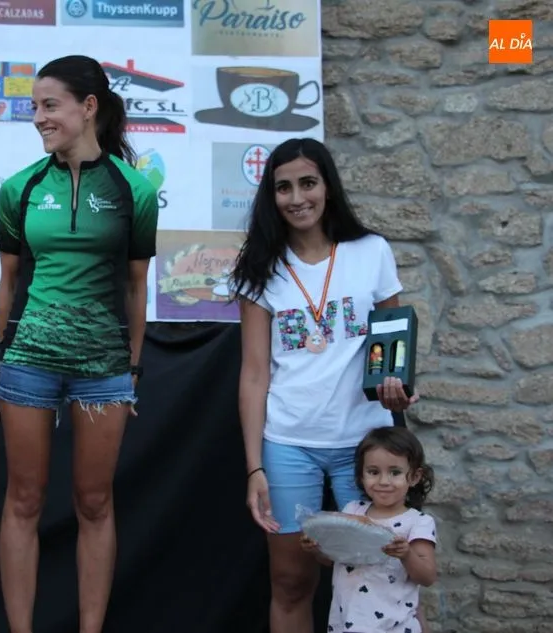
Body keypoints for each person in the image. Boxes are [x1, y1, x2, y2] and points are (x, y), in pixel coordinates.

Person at [0, 54, 158, 633]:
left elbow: (137, 287)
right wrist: (3, 362)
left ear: (88, 107)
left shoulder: (135, 190)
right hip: (28, 363)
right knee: (24, 501)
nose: (39, 117)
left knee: (94, 502)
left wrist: (131, 369)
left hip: (104, 367)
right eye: (34, 107)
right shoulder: (19, 188)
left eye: (50, 105)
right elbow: (8, 282)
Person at [229, 137, 420, 633]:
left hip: (366, 444)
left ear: (328, 187)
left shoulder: (371, 251)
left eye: (308, 183)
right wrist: (254, 466)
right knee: (291, 581)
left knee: (384, 576)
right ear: (271, 196)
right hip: (289, 443)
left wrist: (399, 385)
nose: (297, 198)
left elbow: (394, 347)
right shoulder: (260, 266)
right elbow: (254, 373)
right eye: (284, 187)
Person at [301, 426, 437, 633]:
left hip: (395, 627)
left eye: (395, 472)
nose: (383, 481)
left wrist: (407, 554)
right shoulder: (352, 511)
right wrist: (317, 548)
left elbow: (427, 577)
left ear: (414, 477)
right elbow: (334, 558)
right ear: (361, 475)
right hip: (346, 623)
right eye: (373, 472)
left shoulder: (418, 522)